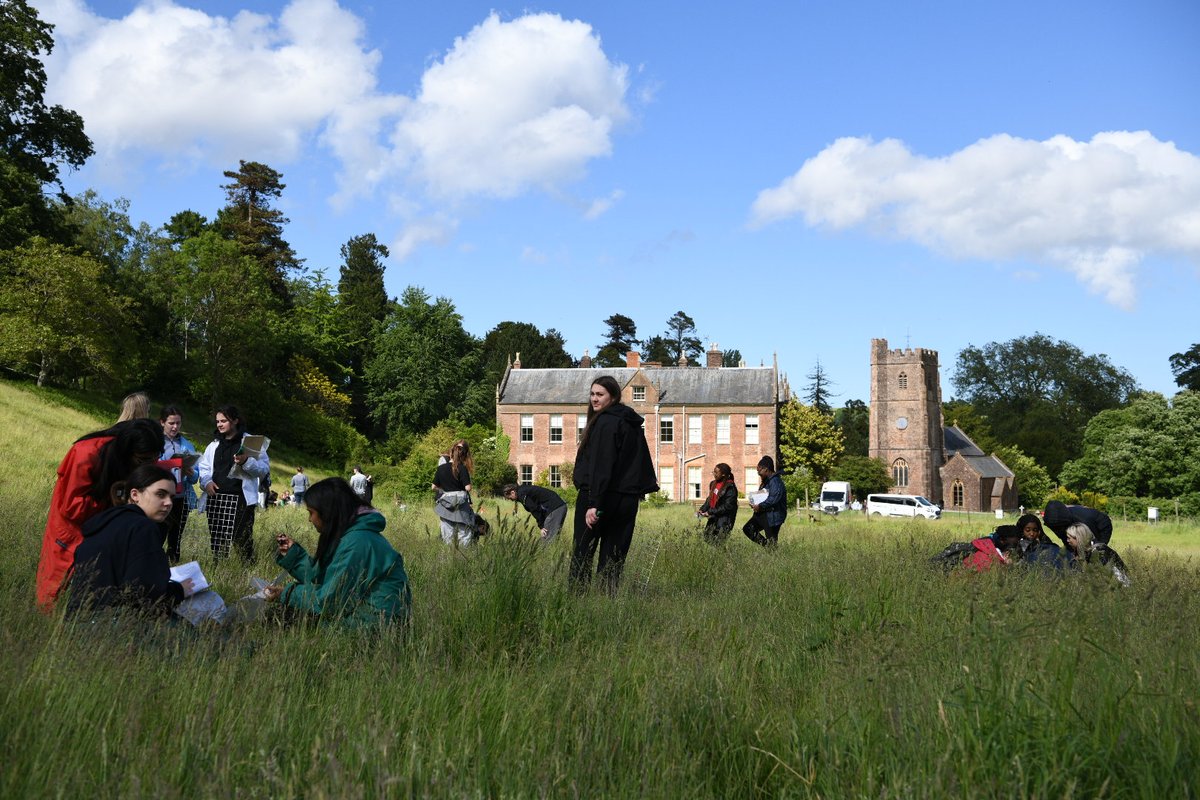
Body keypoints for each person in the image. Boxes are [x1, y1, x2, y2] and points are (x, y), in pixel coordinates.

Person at [36, 418, 165, 609]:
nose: (145, 465)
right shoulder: (86, 453)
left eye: (153, 459)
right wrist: (114, 503)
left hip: (105, 529)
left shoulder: (131, 458)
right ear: (127, 450)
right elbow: (72, 506)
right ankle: (48, 626)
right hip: (71, 532)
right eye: (142, 460)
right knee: (55, 589)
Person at [264, 477, 411, 628]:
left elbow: (331, 601)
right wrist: (293, 556)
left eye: (311, 513)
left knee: (281, 620)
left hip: (373, 626)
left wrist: (286, 594)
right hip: (366, 617)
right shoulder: (352, 537)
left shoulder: (357, 543)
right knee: (285, 616)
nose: (310, 519)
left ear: (327, 512)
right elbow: (324, 578)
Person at [65, 464, 196, 617]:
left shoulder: (105, 522)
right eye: (161, 494)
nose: (169, 503)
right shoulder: (143, 528)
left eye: (171, 497)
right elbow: (144, 594)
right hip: (114, 624)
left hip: (76, 621)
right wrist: (179, 590)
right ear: (135, 495)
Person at [570, 376, 658, 594]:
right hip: (626, 500)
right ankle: (605, 603)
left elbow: (602, 464)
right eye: (592, 394)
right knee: (614, 557)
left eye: (600, 394)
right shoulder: (631, 422)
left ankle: (576, 602)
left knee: (583, 553)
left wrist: (594, 502)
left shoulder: (606, 422)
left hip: (599, 497)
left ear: (613, 396)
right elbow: (639, 463)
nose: (594, 399)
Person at [197, 405, 269, 561]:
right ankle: (220, 570)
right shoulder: (214, 445)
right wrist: (207, 482)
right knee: (218, 541)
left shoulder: (251, 442)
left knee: (242, 540)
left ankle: (247, 571)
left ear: (235, 421)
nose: (219, 424)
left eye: (224, 421)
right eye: (217, 421)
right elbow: (203, 468)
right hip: (216, 498)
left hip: (241, 499)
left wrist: (246, 462)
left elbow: (264, 469)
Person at [157, 404, 198, 563]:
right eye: (171, 423)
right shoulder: (156, 442)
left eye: (178, 423)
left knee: (176, 536)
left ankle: (174, 564)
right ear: (162, 422)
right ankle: (156, 563)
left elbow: (195, 478)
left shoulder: (187, 445)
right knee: (159, 533)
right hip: (160, 495)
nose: (175, 427)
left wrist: (191, 472)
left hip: (182, 496)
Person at [432, 440, 475, 546]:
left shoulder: (441, 468)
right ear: (463, 455)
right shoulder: (462, 468)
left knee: (447, 534)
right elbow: (468, 488)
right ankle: (462, 559)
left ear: (451, 453)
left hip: (445, 503)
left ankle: (448, 557)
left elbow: (434, 487)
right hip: (461, 504)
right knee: (464, 533)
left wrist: (446, 486)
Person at [1063, 522, 1131, 586]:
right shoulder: (1088, 549)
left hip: (1121, 587)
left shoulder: (1099, 552)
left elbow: (1108, 578)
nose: (1067, 541)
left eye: (1069, 538)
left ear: (1078, 538)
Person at [743, 456, 787, 547]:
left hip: (773, 516)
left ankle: (771, 551)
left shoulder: (775, 481)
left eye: (759, 471)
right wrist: (754, 502)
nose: (758, 474)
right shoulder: (767, 481)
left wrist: (760, 506)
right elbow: (763, 495)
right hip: (763, 514)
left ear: (766, 469)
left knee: (772, 540)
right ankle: (767, 546)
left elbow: (773, 499)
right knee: (748, 529)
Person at [502, 483, 568, 542]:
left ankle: (546, 555)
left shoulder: (521, 494)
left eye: (510, 498)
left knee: (547, 539)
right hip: (557, 507)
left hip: (555, 508)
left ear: (512, 492)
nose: (511, 500)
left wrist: (541, 526)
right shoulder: (522, 490)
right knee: (551, 537)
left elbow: (534, 509)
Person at [696, 463, 738, 544]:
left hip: (724, 519)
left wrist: (710, 512)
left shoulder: (730, 487)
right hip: (714, 516)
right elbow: (710, 499)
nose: (714, 474)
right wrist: (702, 509)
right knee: (707, 537)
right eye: (713, 472)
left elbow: (727, 506)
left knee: (718, 543)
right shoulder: (713, 484)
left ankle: (727, 555)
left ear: (723, 474)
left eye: (716, 472)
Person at [1043, 500, 1113, 547]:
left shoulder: (1084, 521)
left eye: (1058, 528)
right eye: (1054, 528)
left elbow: (1089, 542)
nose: (1056, 531)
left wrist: (1099, 545)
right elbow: (1064, 538)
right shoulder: (1053, 522)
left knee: (1096, 549)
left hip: (1101, 525)